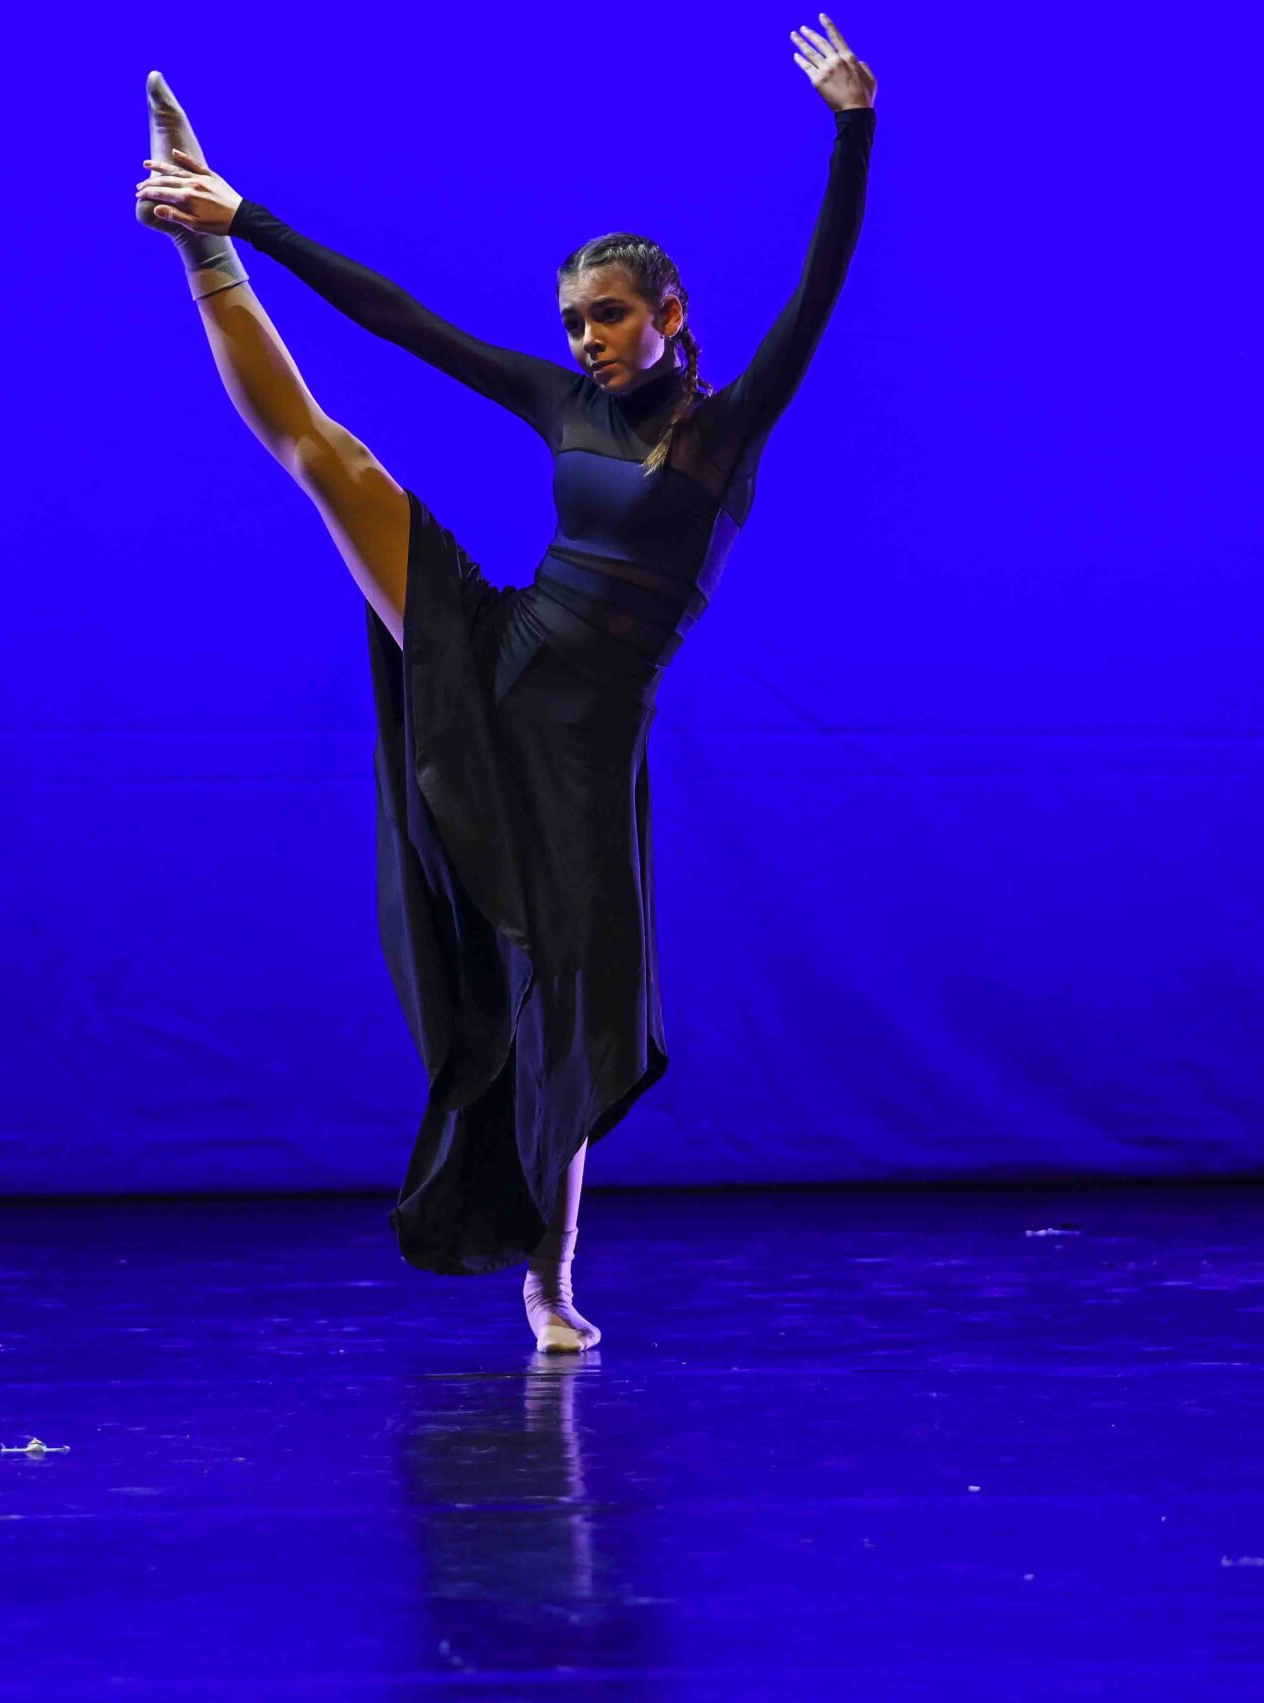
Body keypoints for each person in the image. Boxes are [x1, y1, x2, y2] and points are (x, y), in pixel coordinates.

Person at [133, 18, 878, 1353]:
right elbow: (402, 318)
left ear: (670, 315)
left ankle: (551, 1284)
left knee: (567, 1021)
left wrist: (855, 126)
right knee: (327, 458)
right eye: (575, 321)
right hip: (503, 652)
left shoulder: (730, 425)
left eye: (610, 316)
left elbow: (822, 282)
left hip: (588, 754)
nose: (588, 339)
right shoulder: (561, 402)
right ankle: (202, 244)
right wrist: (250, 216)